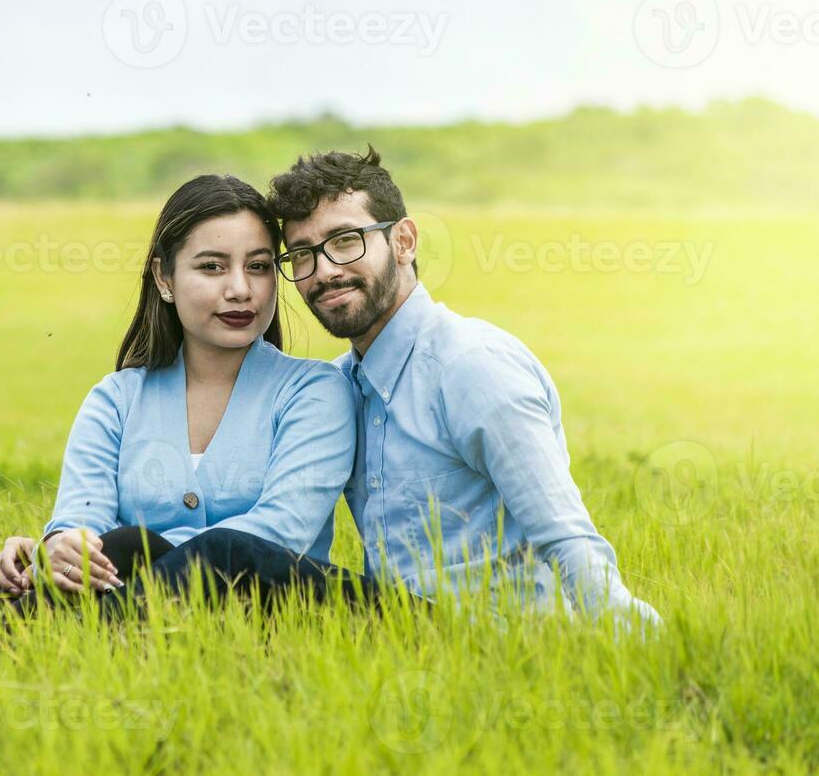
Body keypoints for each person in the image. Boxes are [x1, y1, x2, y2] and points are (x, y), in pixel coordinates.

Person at [0, 174, 358, 664]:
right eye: (212, 267)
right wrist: (57, 550)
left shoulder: (313, 392)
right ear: (163, 278)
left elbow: (280, 533)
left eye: (258, 268)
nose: (240, 289)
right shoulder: (116, 398)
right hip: (121, 600)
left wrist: (120, 553)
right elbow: (79, 515)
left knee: (130, 545)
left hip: (251, 610)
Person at [128, 147, 660, 628]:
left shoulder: (469, 367)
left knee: (230, 556)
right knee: (166, 551)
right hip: (396, 631)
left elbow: (566, 533)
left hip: (497, 638)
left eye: (345, 241)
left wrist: (635, 644)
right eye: (304, 255)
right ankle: (68, 610)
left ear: (403, 241)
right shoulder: (341, 386)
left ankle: (76, 618)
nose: (325, 271)